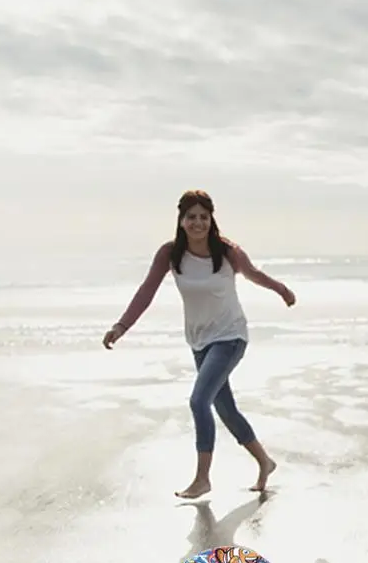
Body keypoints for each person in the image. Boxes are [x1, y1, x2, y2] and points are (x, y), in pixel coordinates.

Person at [102, 190, 295, 499]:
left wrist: (282, 290)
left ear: (211, 220)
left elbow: (253, 274)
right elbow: (146, 291)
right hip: (199, 341)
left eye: (203, 217)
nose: (198, 223)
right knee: (226, 409)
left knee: (198, 401)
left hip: (230, 337)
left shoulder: (228, 251)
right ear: (180, 221)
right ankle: (265, 461)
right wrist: (122, 326)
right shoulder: (170, 254)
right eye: (191, 217)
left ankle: (202, 478)